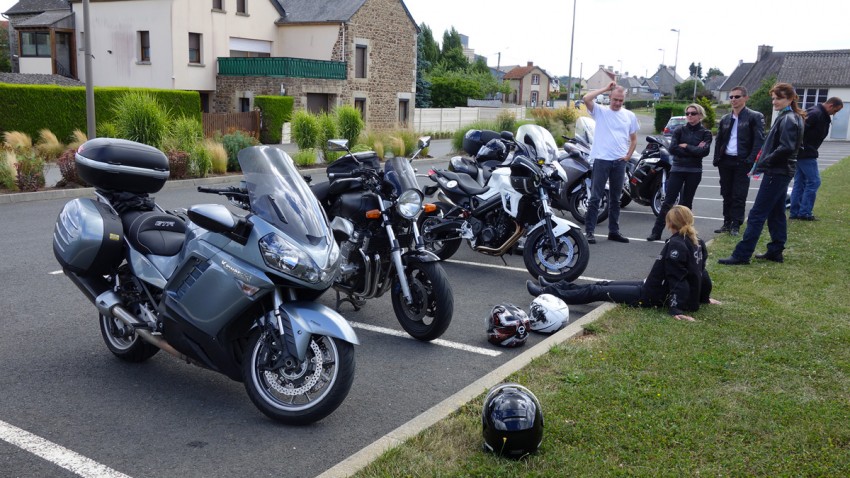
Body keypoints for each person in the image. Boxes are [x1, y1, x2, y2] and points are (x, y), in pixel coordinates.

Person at [527, 205, 720, 321]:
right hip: (650, 286)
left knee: (598, 291)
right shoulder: (697, 242)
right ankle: (555, 286)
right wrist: (704, 297)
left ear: (670, 224)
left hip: (651, 295)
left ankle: (547, 293)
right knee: (602, 284)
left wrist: (676, 309)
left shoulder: (677, 245)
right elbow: (701, 273)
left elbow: (677, 279)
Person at [719, 83, 805, 266]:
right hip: (780, 171)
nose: (774, 102)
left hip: (778, 171)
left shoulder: (789, 118)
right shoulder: (789, 117)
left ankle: (742, 254)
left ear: (790, 98)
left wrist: (765, 162)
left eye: (778, 98)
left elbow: (787, 147)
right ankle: (775, 250)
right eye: (773, 98)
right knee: (776, 212)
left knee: (757, 214)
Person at [581, 81, 638, 244]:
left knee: (616, 199)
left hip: (619, 162)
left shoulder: (629, 116)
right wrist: (606, 88)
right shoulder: (601, 111)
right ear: (610, 97)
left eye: (621, 100)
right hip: (602, 160)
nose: (618, 103)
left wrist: (628, 156)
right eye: (615, 99)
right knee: (595, 198)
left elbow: (633, 139)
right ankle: (589, 231)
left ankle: (614, 231)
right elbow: (586, 98)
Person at [647, 103, 712, 241]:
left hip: (694, 171)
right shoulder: (679, 130)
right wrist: (693, 149)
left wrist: (687, 146)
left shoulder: (705, 133)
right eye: (687, 113)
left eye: (693, 113)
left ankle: (685, 234)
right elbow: (673, 149)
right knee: (668, 202)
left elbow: (704, 151)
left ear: (700, 115)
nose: (689, 116)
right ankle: (656, 232)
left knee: (687, 203)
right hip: (677, 169)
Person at [713, 86, 766, 236]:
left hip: (742, 161)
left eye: (737, 97)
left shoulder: (754, 116)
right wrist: (717, 158)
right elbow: (719, 140)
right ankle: (727, 222)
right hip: (726, 161)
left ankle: (736, 224)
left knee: (739, 194)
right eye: (731, 97)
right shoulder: (725, 118)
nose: (733, 100)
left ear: (745, 98)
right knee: (726, 193)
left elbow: (759, 140)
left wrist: (750, 160)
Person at [789, 97, 844, 220]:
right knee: (814, 181)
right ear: (830, 105)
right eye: (835, 110)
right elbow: (798, 131)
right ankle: (804, 213)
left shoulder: (818, 113)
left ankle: (795, 212)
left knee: (800, 182)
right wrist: (803, 148)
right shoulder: (816, 114)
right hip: (806, 153)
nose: (834, 113)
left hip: (803, 152)